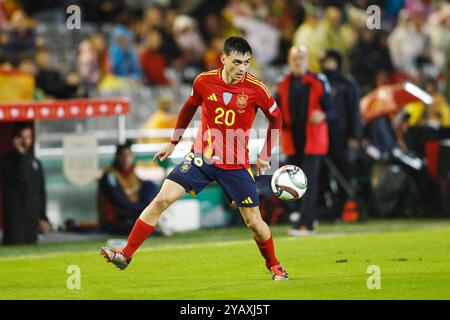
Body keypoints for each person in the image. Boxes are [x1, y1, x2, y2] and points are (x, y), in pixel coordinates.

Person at [100, 36, 288, 280]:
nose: (242, 68)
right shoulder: (204, 81)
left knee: (254, 222)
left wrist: (264, 154)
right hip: (202, 156)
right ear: (223, 59)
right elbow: (189, 107)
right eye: (237, 61)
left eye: (247, 62)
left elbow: (277, 118)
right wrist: (173, 142)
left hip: (235, 164)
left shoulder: (257, 89)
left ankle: (274, 265)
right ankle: (126, 254)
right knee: (161, 200)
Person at [276, 45, 333, 236]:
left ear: (308, 60)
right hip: (292, 140)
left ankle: (306, 223)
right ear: (289, 60)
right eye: (294, 58)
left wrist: (323, 115)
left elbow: (333, 110)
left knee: (308, 181)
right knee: (294, 181)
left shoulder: (319, 81)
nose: (297, 61)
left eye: (301, 57)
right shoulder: (283, 84)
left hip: (313, 140)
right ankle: (305, 217)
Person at [320, 49, 362, 219]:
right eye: (325, 61)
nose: (327, 65)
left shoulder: (347, 83)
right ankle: (328, 207)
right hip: (323, 136)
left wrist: (355, 135)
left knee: (343, 173)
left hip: (342, 136)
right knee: (323, 173)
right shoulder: (320, 82)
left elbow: (354, 111)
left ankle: (345, 207)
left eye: (330, 61)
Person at [1, 123, 50, 244]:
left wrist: (43, 216)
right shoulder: (5, 162)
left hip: (32, 220)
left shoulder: (35, 163)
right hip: (15, 220)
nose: (26, 141)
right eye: (23, 137)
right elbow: (19, 180)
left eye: (29, 137)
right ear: (16, 139)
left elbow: (41, 191)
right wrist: (19, 155)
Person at [98, 142, 157, 235]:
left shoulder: (132, 173)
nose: (126, 159)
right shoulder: (110, 176)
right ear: (117, 157)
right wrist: (143, 208)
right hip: (115, 218)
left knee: (150, 185)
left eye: (129, 155)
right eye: (123, 155)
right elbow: (119, 202)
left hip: (132, 212)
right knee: (145, 231)